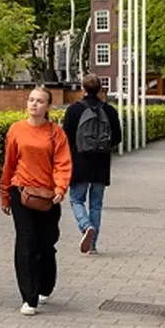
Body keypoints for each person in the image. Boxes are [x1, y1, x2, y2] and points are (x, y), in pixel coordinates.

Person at [0, 88, 73, 316]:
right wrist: (5, 194)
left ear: (48, 107)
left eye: (40, 101)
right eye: (31, 100)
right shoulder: (16, 130)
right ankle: (28, 297)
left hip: (48, 196)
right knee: (26, 242)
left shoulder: (56, 133)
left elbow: (63, 163)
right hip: (21, 191)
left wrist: (60, 188)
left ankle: (45, 285)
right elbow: (9, 163)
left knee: (46, 244)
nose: (34, 104)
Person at [61, 75, 123, 255]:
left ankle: (85, 225)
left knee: (76, 199)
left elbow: (66, 137)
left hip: (79, 161)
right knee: (96, 204)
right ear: (100, 89)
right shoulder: (109, 110)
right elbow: (117, 138)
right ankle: (93, 245)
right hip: (101, 163)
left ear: (83, 89)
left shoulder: (74, 110)